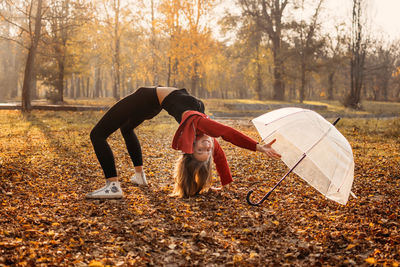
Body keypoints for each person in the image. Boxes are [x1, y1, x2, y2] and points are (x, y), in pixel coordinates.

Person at [86, 86, 281, 199]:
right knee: (126, 128)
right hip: (156, 104)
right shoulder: (206, 136)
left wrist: (256, 147)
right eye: (207, 149)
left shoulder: (197, 124)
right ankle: (139, 176)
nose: (207, 145)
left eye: (201, 149)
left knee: (97, 135)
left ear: (191, 147)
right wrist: (227, 184)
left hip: (146, 98)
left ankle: (112, 186)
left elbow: (226, 133)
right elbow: (221, 155)